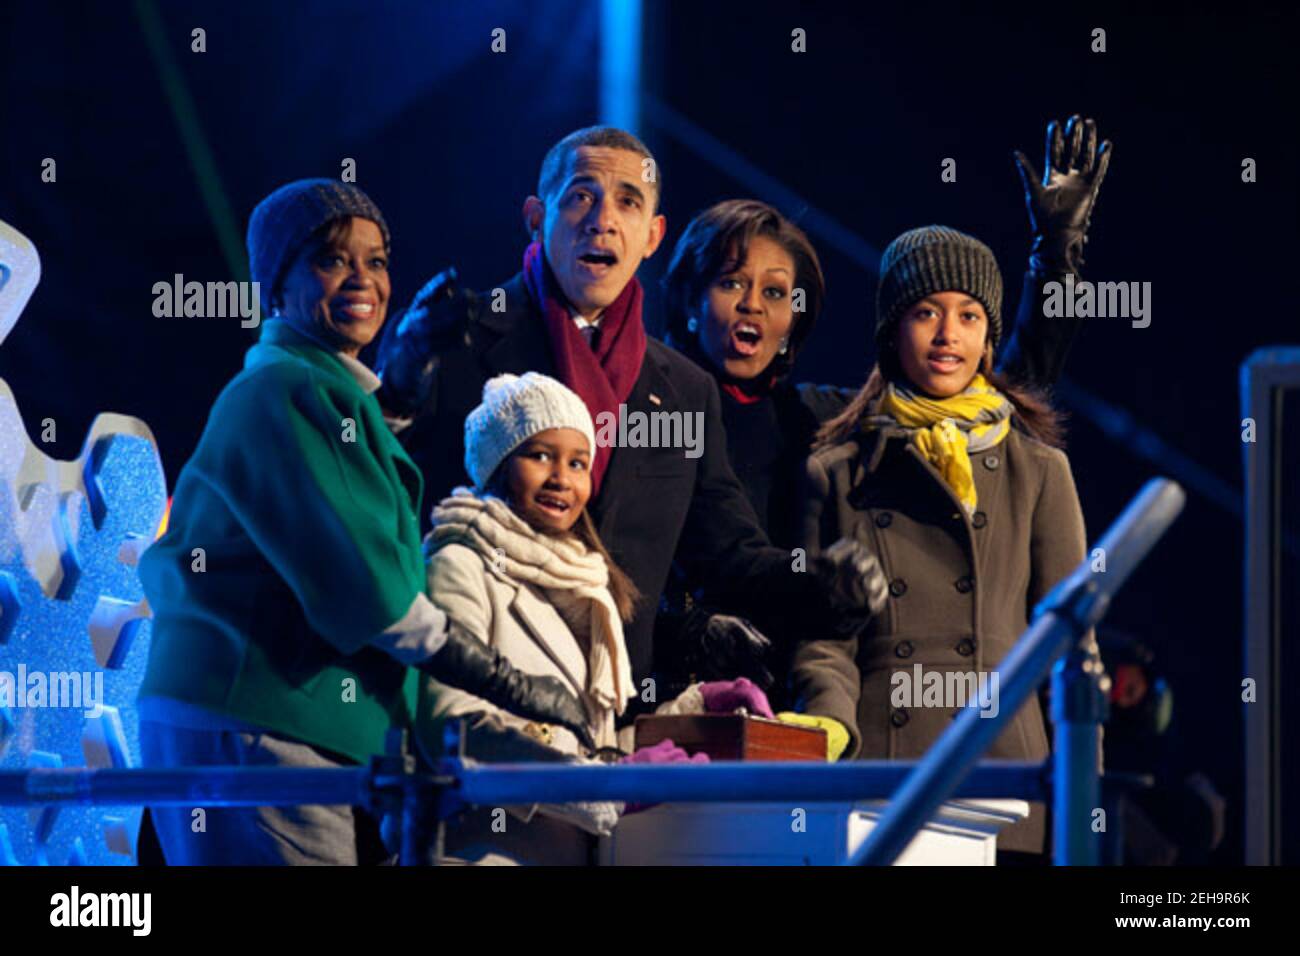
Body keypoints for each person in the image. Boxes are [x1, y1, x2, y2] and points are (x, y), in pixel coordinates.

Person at [137, 180, 593, 865]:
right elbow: (370, 593)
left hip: (274, 718)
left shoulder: (313, 386)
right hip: (255, 714)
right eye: (330, 258)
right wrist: (512, 685)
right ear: (275, 283)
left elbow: (351, 467)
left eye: (376, 260)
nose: (363, 278)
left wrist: (403, 377)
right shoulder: (284, 390)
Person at [374, 127, 887, 719]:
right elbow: (375, 492)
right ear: (536, 218)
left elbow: (728, 555)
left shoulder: (683, 390)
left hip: (609, 721)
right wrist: (400, 386)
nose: (603, 220)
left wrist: (821, 586)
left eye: (628, 202)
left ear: (652, 236)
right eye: (580, 196)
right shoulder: (454, 340)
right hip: (468, 704)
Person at [656, 116, 1112, 703]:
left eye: (774, 292)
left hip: (792, 711)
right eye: (729, 283)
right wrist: (686, 632)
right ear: (690, 297)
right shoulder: (645, 418)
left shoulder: (822, 422)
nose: (752, 306)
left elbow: (987, 403)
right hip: (669, 706)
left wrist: (1057, 261)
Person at [790, 225, 1090, 856]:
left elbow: (1069, 645)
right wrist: (828, 735)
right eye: (926, 312)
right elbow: (825, 641)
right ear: (891, 330)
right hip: (884, 771)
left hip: (1006, 773)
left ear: (988, 337)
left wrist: (1080, 787)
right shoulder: (835, 471)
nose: (948, 333)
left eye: (969, 315)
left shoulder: (1037, 468)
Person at [416, 371, 775, 864]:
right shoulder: (461, 564)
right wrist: (606, 788)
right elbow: (455, 730)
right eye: (539, 455)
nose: (562, 478)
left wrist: (697, 707)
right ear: (497, 462)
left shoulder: (581, 585)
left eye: (578, 462)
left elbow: (591, 751)